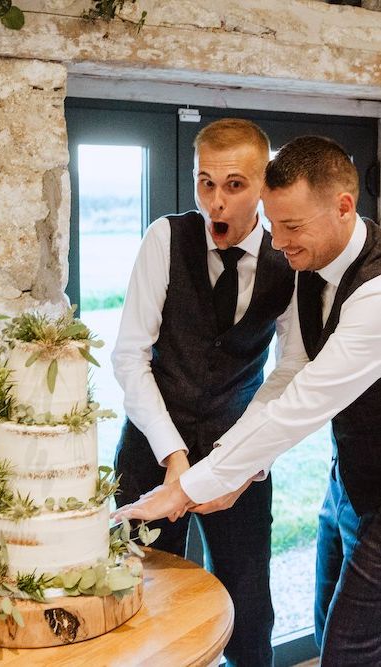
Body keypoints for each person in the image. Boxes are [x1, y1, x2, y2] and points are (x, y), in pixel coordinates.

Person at [114, 135, 381, 665]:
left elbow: (303, 402)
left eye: (292, 226)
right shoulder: (308, 261)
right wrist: (209, 468)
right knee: (330, 627)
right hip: (349, 479)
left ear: (343, 208)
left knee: (343, 650)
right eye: (274, 224)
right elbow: (291, 371)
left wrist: (193, 484)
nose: (278, 242)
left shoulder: (373, 292)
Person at [111, 118, 294, 667]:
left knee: (249, 610)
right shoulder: (165, 238)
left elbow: (290, 373)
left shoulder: (288, 258)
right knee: (138, 604)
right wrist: (174, 454)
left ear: (264, 186)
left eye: (234, 185)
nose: (216, 201)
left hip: (239, 452)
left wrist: (244, 463)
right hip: (150, 452)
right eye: (205, 183)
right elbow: (129, 356)